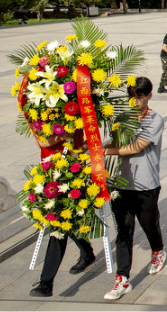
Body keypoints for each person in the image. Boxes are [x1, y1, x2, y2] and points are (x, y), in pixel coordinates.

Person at [102, 77, 167, 300]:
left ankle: (158, 250)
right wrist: (95, 148)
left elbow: (136, 147)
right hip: (121, 184)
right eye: (132, 97)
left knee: (149, 224)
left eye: (139, 97)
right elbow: (114, 142)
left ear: (149, 96)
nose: (135, 101)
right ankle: (122, 279)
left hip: (146, 183)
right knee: (124, 231)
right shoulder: (122, 118)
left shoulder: (155, 120)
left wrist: (104, 152)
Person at [28, 126, 95, 298]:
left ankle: (46, 283)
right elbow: (42, 142)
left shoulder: (75, 110)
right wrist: (64, 135)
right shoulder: (34, 109)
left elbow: (84, 134)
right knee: (63, 221)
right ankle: (87, 252)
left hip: (73, 170)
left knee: (59, 226)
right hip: (50, 172)